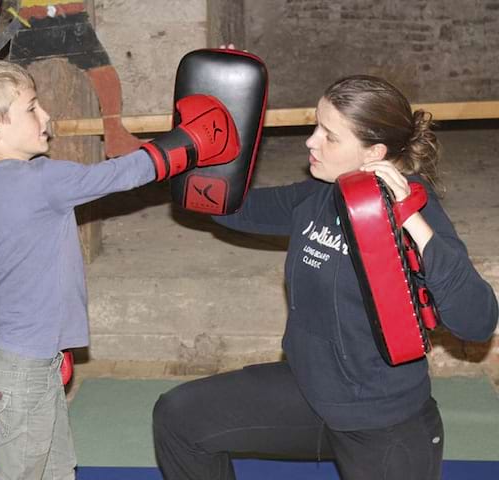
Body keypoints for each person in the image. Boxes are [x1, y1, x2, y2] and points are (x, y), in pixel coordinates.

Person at [152, 75, 499, 480]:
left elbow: (478, 321)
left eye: (329, 136)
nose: (310, 142)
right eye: (316, 126)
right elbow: (224, 206)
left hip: (382, 422)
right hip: (308, 393)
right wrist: (224, 113)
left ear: (375, 153)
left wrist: (413, 223)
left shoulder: (417, 213)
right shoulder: (318, 196)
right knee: (180, 419)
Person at [0, 59, 239, 480]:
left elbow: (7, 281)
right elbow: (120, 173)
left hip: (13, 357)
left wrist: (54, 344)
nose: (46, 116)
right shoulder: (38, 180)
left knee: (57, 468)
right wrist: (189, 143)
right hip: (22, 368)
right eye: (31, 108)